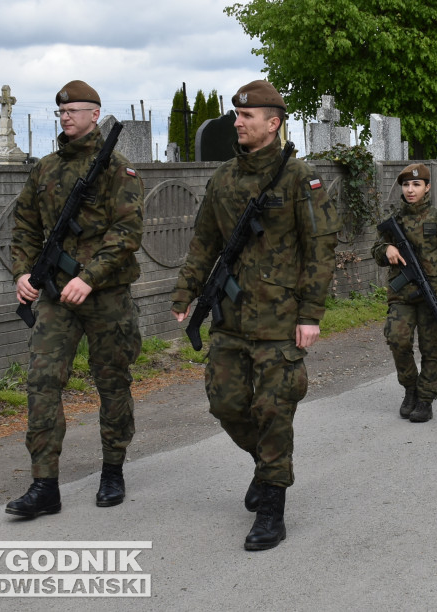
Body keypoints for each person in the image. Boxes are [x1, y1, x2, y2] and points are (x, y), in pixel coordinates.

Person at [171, 80, 340, 551]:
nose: (238, 122)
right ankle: (265, 469)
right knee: (225, 403)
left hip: (281, 320)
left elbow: (321, 250)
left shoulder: (299, 178)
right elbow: (205, 240)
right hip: (229, 316)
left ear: (274, 122)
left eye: (248, 116)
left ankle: (272, 507)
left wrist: (311, 314)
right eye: (236, 115)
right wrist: (186, 291)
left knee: (273, 409)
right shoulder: (223, 178)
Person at [7, 80, 144, 518]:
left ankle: (113, 469)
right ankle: (44, 484)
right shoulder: (44, 169)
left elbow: (127, 233)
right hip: (54, 296)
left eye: (75, 110)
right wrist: (23, 273)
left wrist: (89, 277)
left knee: (112, 381)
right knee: (42, 381)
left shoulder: (118, 170)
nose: (66, 116)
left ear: (94, 114)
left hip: (105, 296)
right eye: (61, 112)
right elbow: (25, 225)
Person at [371, 163, 437, 423]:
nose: (410, 190)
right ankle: (410, 388)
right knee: (397, 339)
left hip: (433, 295)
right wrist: (386, 250)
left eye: (416, 185)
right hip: (402, 294)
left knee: (431, 347)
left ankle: (425, 399)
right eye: (406, 185)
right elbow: (376, 249)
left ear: (427, 188)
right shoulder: (395, 221)